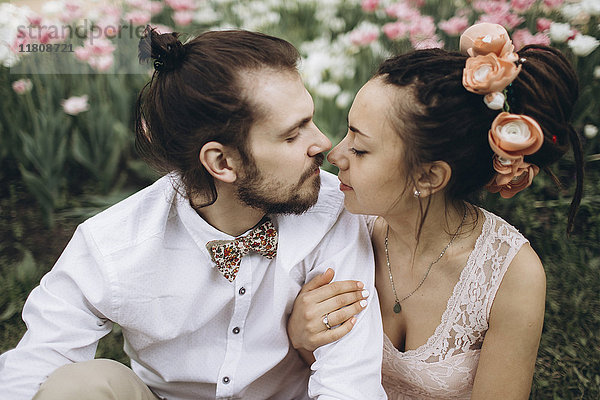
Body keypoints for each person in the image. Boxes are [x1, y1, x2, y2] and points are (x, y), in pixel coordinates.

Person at [0, 28, 387, 400]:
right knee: (81, 386)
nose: (322, 142)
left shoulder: (334, 211)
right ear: (221, 162)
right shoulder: (115, 242)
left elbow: (349, 384)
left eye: (311, 120)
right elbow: (36, 365)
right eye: (293, 134)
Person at [287, 23, 583, 399]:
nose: (335, 155)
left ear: (428, 176)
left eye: (360, 149)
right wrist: (298, 335)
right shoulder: (336, 223)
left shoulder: (511, 277)